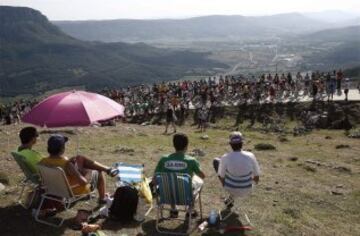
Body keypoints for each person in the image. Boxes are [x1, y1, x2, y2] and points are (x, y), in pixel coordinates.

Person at [39, 134, 118, 204]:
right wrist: (89, 172)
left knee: (79, 158)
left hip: (55, 189)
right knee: (98, 171)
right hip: (73, 190)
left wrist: (73, 166)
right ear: (62, 149)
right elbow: (83, 182)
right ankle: (102, 198)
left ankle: (108, 169)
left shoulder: (42, 162)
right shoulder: (66, 164)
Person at [153, 133, 205, 218]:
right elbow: (202, 176)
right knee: (198, 183)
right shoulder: (191, 161)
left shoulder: (164, 159)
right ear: (186, 146)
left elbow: (154, 179)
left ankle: (173, 209)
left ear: (174, 145)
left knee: (171, 184)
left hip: (167, 196)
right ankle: (189, 210)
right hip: (185, 196)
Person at [213, 132, 260, 207]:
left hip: (230, 188)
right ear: (242, 143)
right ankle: (230, 198)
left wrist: (224, 184)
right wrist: (249, 183)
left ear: (230, 144)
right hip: (246, 189)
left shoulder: (225, 157)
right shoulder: (251, 156)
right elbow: (257, 177)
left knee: (216, 161)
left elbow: (221, 176)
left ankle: (231, 197)